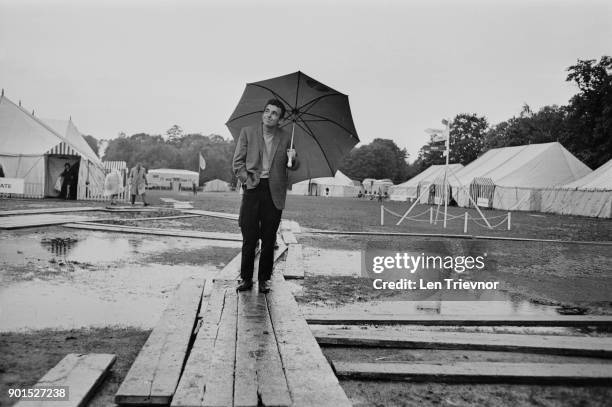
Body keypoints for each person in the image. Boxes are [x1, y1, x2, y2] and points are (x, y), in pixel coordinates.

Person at [233, 98, 298, 294]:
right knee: (249, 236)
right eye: (267, 111)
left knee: (269, 238)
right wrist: (248, 180)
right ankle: (246, 279)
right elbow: (237, 163)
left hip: (274, 192)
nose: (269, 115)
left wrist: (293, 158)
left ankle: (264, 280)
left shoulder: (286, 137)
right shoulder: (248, 132)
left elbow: (293, 166)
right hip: (253, 188)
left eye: (274, 113)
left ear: (280, 119)